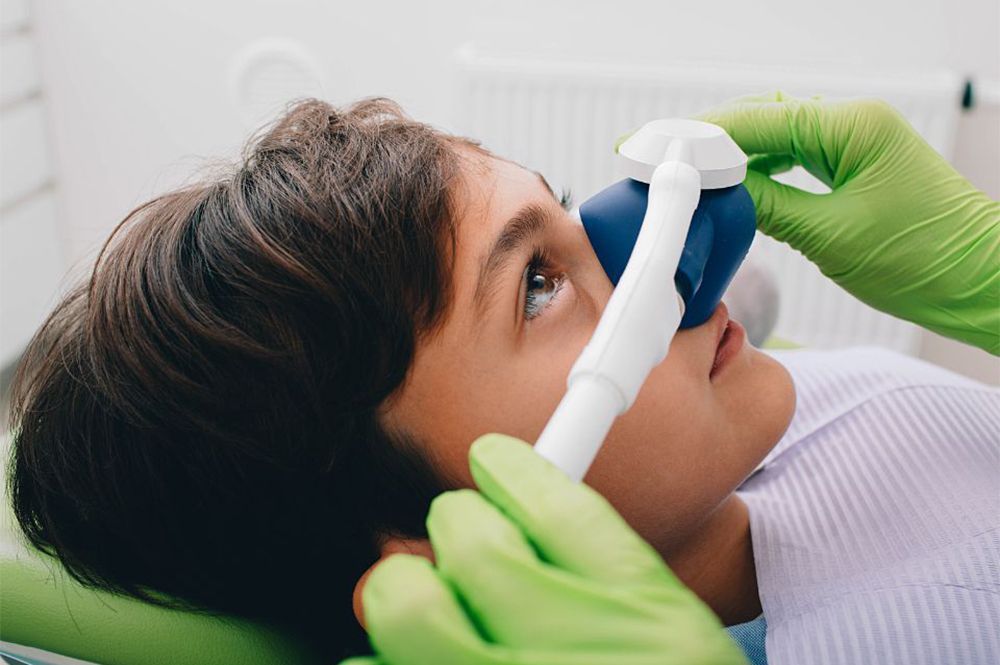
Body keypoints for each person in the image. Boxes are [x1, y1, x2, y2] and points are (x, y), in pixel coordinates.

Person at [6, 94, 997, 664]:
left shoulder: (799, 411)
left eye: (564, 209)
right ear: (447, 537)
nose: (665, 247)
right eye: (534, 285)